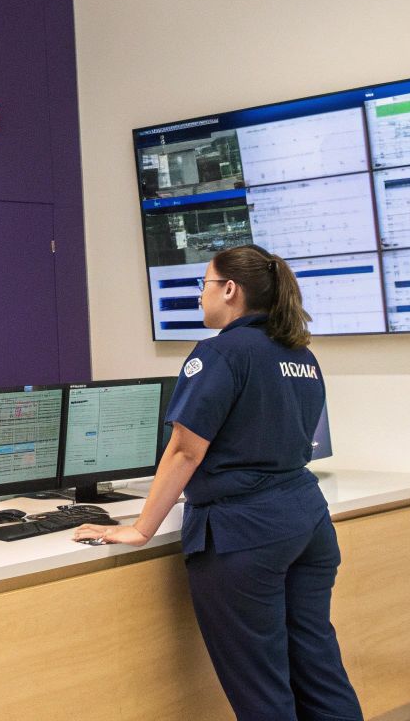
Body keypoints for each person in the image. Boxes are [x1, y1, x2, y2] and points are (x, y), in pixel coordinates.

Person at [75, 244, 362, 721]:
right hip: (307, 523)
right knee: (317, 664)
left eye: (203, 285)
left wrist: (141, 527)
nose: (200, 297)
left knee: (262, 687)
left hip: (247, 535)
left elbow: (187, 450)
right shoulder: (299, 353)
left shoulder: (219, 355)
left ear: (230, 290)